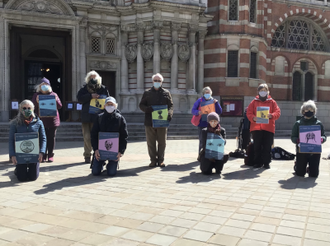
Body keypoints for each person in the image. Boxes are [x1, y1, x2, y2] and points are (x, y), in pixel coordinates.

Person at [139, 73, 174, 167]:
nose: (157, 82)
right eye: (155, 80)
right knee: (151, 143)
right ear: (152, 81)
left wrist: (170, 114)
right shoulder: (147, 93)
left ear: (162, 82)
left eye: (159, 81)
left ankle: (161, 160)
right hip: (149, 121)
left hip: (162, 121)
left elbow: (171, 105)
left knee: (162, 142)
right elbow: (141, 105)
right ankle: (153, 160)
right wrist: (147, 109)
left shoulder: (166, 93)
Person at [9, 100, 46, 182]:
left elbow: (43, 138)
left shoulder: (39, 122)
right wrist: (12, 155)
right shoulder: (15, 123)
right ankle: (17, 170)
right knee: (22, 178)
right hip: (20, 154)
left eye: (29, 108)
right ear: (20, 109)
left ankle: (35, 167)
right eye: (24, 108)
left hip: (34, 154)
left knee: (33, 177)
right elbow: (11, 140)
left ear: (33, 109)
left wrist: (41, 152)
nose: (27, 110)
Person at [77, 71, 109, 163]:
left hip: (99, 117)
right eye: (91, 78)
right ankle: (87, 155)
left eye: (95, 78)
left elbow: (108, 100)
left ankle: (99, 155)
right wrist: (90, 96)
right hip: (86, 117)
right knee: (87, 137)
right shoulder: (84, 89)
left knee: (99, 137)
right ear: (88, 79)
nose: (93, 79)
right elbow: (79, 99)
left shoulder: (103, 89)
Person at [90, 97, 128, 176]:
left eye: (112, 104)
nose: (110, 106)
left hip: (114, 152)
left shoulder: (120, 119)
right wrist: (96, 149)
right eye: (108, 104)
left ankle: (111, 164)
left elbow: (124, 137)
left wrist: (120, 152)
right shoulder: (99, 118)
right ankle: (101, 163)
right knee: (95, 172)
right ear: (104, 106)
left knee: (111, 173)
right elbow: (93, 135)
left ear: (115, 106)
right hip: (100, 151)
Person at [246, 83, 281, 170]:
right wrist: (253, 118)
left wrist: (271, 115)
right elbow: (249, 113)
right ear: (258, 92)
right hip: (256, 128)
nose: (263, 92)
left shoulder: (272, 102)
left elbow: (278, 112)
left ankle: (266, 163)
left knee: (267, 146)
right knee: (257, 146)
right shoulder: (253, 102)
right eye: (261, 90)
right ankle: (257, 162)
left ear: (268, 92)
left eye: (265, 90)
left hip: (268, 128)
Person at [291, 100, 326, 178]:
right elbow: (293, 136)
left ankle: (310, 168)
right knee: (300, 174)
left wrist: (321, 139)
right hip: (301, 150)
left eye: (311, 110)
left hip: (314, 151)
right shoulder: (298, 123)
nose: (309, 111)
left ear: (314, 111)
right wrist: (297, 140)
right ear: (303, 111)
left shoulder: (318, 123)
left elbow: (324, 136)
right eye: (307, 110)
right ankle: (298, 165)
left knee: (314, 175)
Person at [32, 77, 62, 162]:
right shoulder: (36, 95)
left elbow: (60, 106)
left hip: (53, 120)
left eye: (46, 85)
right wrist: (36, 102)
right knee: (42, 138)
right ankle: (43, 154)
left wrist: (56, 100)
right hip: (41, 120)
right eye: (42, 85)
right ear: (39, 86)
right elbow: (32, 107)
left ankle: (50, 155)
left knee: (51, 138)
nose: (44, 86)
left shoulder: (54, 94)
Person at [191, 86, 222, 153]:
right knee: (202, 140)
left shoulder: (214, 101)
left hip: (212, 124)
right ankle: (201, 155)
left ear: (211, 93)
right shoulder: (199, 101)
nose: (207, 94)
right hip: (201, 123)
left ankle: (210, 155)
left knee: (211, 139)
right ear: (203, 93)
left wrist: (216, 103)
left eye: (208, 92)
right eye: (206, 92)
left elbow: (219, 111)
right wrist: (198, 112)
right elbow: (193, 110)